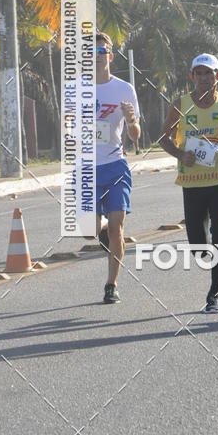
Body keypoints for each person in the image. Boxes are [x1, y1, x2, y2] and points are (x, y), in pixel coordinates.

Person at [159, 53, 218, 314]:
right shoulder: (181, 104)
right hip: (192, 182)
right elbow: (163, 137)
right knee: (199, 246)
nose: (204, 78)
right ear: (192, 76)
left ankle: (214, 295)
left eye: (209, 73)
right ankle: (207, 257)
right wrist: (179, 154)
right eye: (199, 73)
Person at [93, 32, 141, 304]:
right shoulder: (78, 88)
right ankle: (98, 228)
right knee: (87, 228)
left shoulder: (124, 89)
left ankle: (111, 284)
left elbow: (135, 135)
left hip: (115, 165)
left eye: (102, 52)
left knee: (116, 229)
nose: (98, 57)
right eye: (93, 52)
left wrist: (131, 119)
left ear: (110, 56)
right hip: (87, 168)